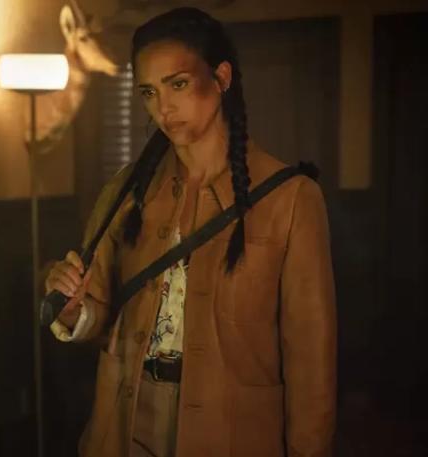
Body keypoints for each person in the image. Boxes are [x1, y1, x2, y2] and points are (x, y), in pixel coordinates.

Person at [44, 7, 336, 457]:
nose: (163, 108)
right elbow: (97, 311)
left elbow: (311, 359)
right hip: (127, 418)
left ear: (221, 78)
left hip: (233, 429)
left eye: (177, 84)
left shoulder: (290, 198)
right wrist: (71, 310)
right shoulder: (127, 190)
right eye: (149, 92)